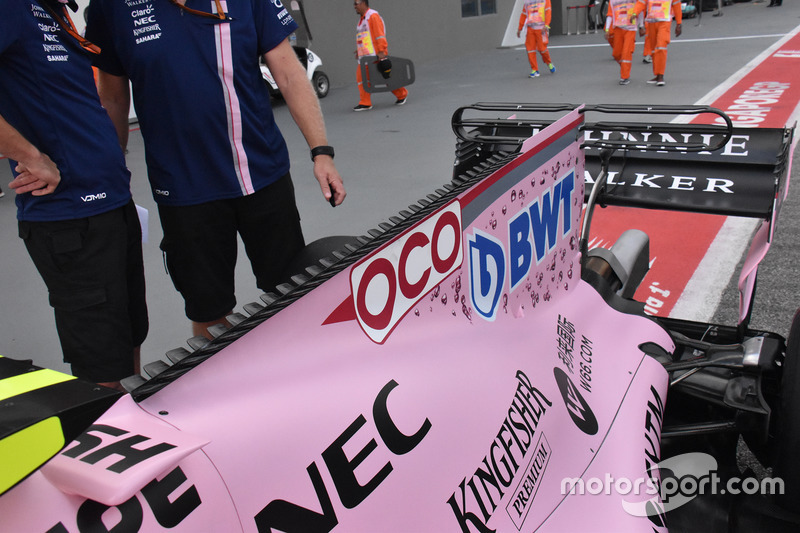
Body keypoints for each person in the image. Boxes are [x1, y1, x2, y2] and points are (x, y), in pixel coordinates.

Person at [86, 0, 346, 340]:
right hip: (183, 190)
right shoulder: (111, 7)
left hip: (261, 175)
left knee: (290, 293)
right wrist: (110, 177)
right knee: (209, 311)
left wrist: (321, 151)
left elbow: (288, 72)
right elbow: (113, 100)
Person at [0, 0, 148, 390]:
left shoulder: (51, 10)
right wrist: (30, 156)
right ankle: (108, 424)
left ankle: (133, 417)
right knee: (102, 360)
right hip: (69, 219)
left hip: (112, 204)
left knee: (128, 336)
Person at [353, 0, 408, 111]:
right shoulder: (362, 20)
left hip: (375, 55)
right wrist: (359, 51)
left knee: (385, 77)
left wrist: (382, 51)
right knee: (361, 78)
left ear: (363, 3)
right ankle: (365, 102)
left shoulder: (372, 16)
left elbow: (379, 35)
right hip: (365, 56)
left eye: (356, 3)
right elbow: (364, 37)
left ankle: (402, 94)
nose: (354, 6)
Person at [632, 0, 682, 86]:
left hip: (664, 21)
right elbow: (641, 2)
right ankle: (657, 74)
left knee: (661, 47)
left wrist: (679, 23)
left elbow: (677, 5)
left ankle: (660, 75)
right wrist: (634, 13)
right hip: (652, 22)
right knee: (654, 50)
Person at [517, 0, 556, 78]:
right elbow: (524, 14)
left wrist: (546, 25)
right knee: (530, 49)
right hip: (530, 28)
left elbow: (548, 11)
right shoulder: (527, 1)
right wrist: (519, 28)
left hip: (542, 29)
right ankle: (535, 70)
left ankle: (549, 62)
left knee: (542, 48)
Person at [606, 0, 639, 85]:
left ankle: (624, 77)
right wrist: (607, 29)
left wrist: (641, 25)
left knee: (626, 52)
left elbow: (640, 8)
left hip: (630, 28)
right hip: (618, 28)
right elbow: (610, 15)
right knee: (616, 53)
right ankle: (625, 67)